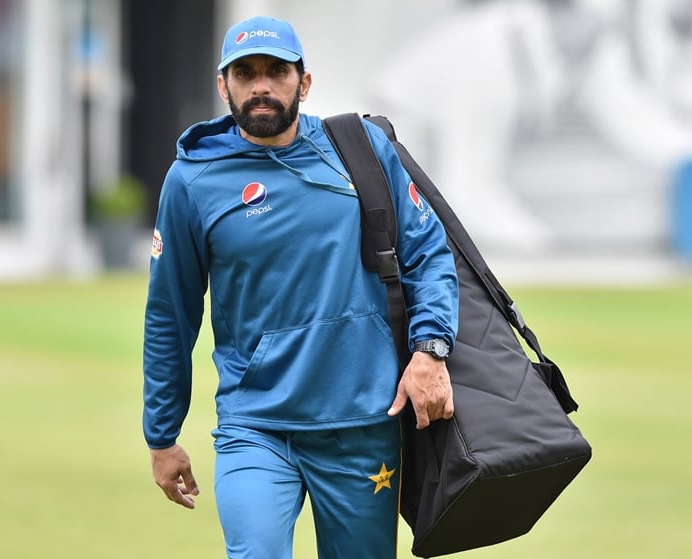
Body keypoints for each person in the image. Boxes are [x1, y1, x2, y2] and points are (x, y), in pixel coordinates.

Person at [142, 15, 459, 559]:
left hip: (362, 424)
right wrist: (162, 433)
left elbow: (429, 253)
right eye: (245, 73)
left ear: (304, 82)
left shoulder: (362, 151)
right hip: (256, 426)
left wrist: (430, 350)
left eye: (276, 71)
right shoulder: (192, 180)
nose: (261, 85)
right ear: (224, 86)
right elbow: (170, 314)